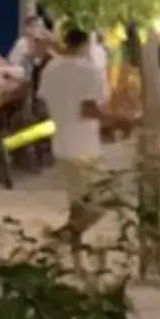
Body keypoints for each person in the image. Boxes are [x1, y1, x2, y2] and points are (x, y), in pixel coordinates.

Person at [40, 23, 110, 247]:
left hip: (61, 143)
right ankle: (65, 236)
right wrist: (118, 119)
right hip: (85, 146)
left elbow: (43, 102)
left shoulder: (50, 68)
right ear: (85, 43)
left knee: (78, 203)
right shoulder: (89, 71)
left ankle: (75, 249)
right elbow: (88, 109)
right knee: (104, 201)